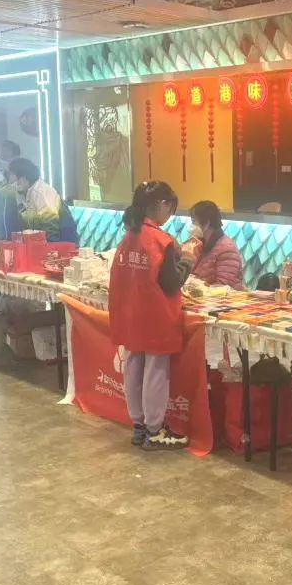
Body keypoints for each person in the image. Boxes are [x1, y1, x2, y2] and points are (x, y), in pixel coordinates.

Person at [109, 182, 202, 451]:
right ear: (161, 204)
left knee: (133, 366)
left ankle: (139, 426)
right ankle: (155, 430)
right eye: (170, 208)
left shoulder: (130, 235)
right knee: (156, 372)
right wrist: (187, 259)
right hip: (156, 315)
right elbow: (172, 283)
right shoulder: (161, 241)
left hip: (130, 313)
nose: (169, 214)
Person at [6, 158, 78, 243]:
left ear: (23, 178)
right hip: (43, 242)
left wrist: (47, 249)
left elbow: (51, 228)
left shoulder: (41, 192)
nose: (10, 181)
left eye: (13, 177)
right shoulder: (23, 194)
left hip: (63, 242)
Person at [188, 200, 244, 289]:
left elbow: (224, 285)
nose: (191, 226)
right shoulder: (198, 244)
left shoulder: (227, 249)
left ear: (207, 222)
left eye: (194, 221)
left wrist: (198, 288)